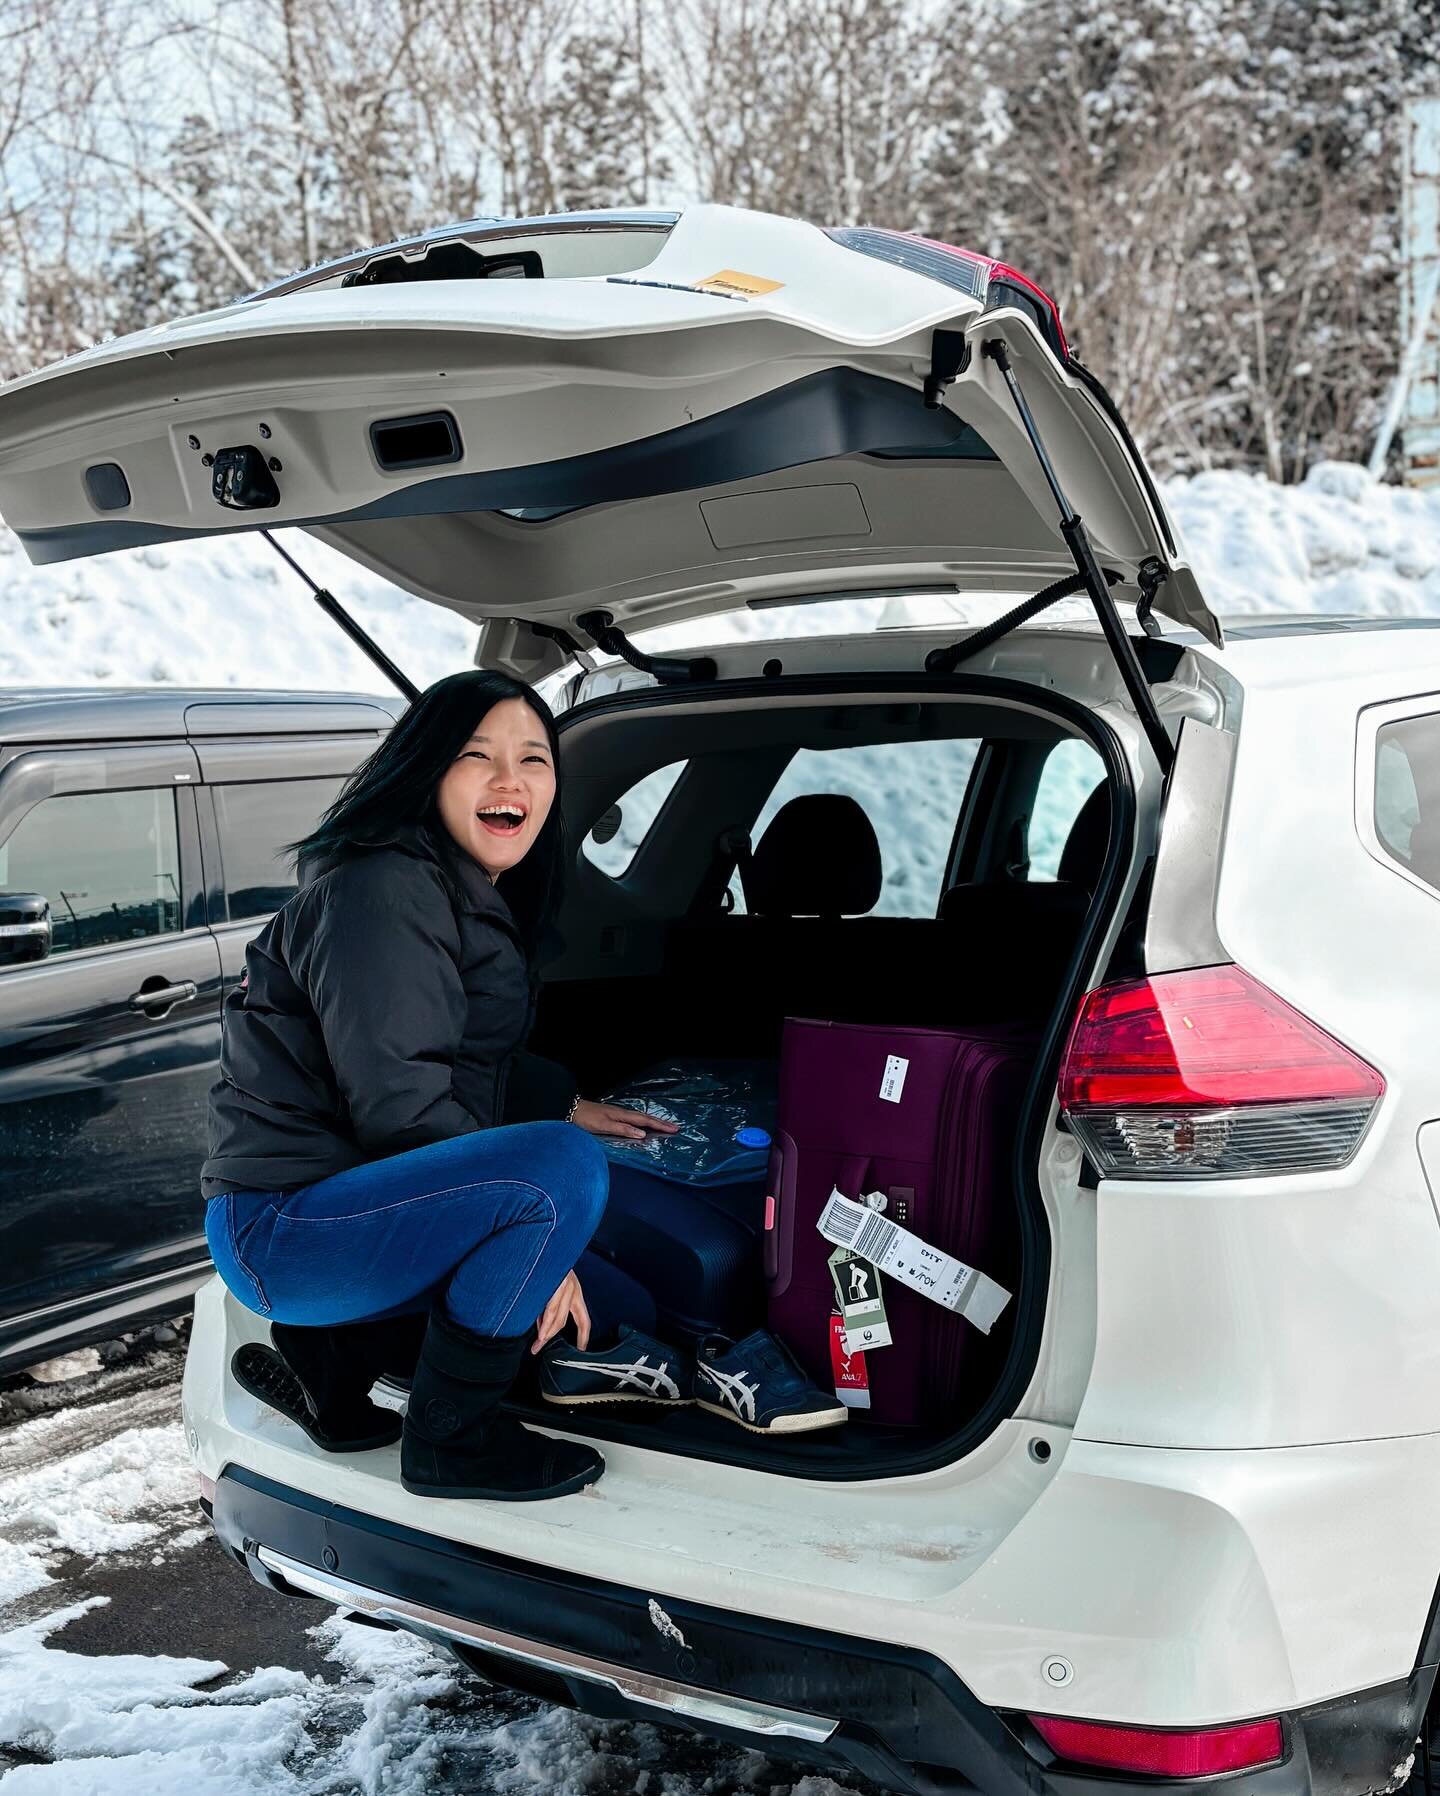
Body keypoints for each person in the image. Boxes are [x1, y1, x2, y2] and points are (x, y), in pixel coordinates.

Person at [201, 670, 677, 1503]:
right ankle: (452, 1441)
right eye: (476, 756)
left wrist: (562, 1103)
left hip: (344, 1210)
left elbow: (448, 1055)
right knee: (562, 1171)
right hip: (289, 1230)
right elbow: (400, 1101)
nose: (510, 780)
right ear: (424, 769)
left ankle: (334, 1377)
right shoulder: (380, 888)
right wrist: (538, 1215)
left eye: (534, 759)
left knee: (625, 1300)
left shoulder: (449, 886)